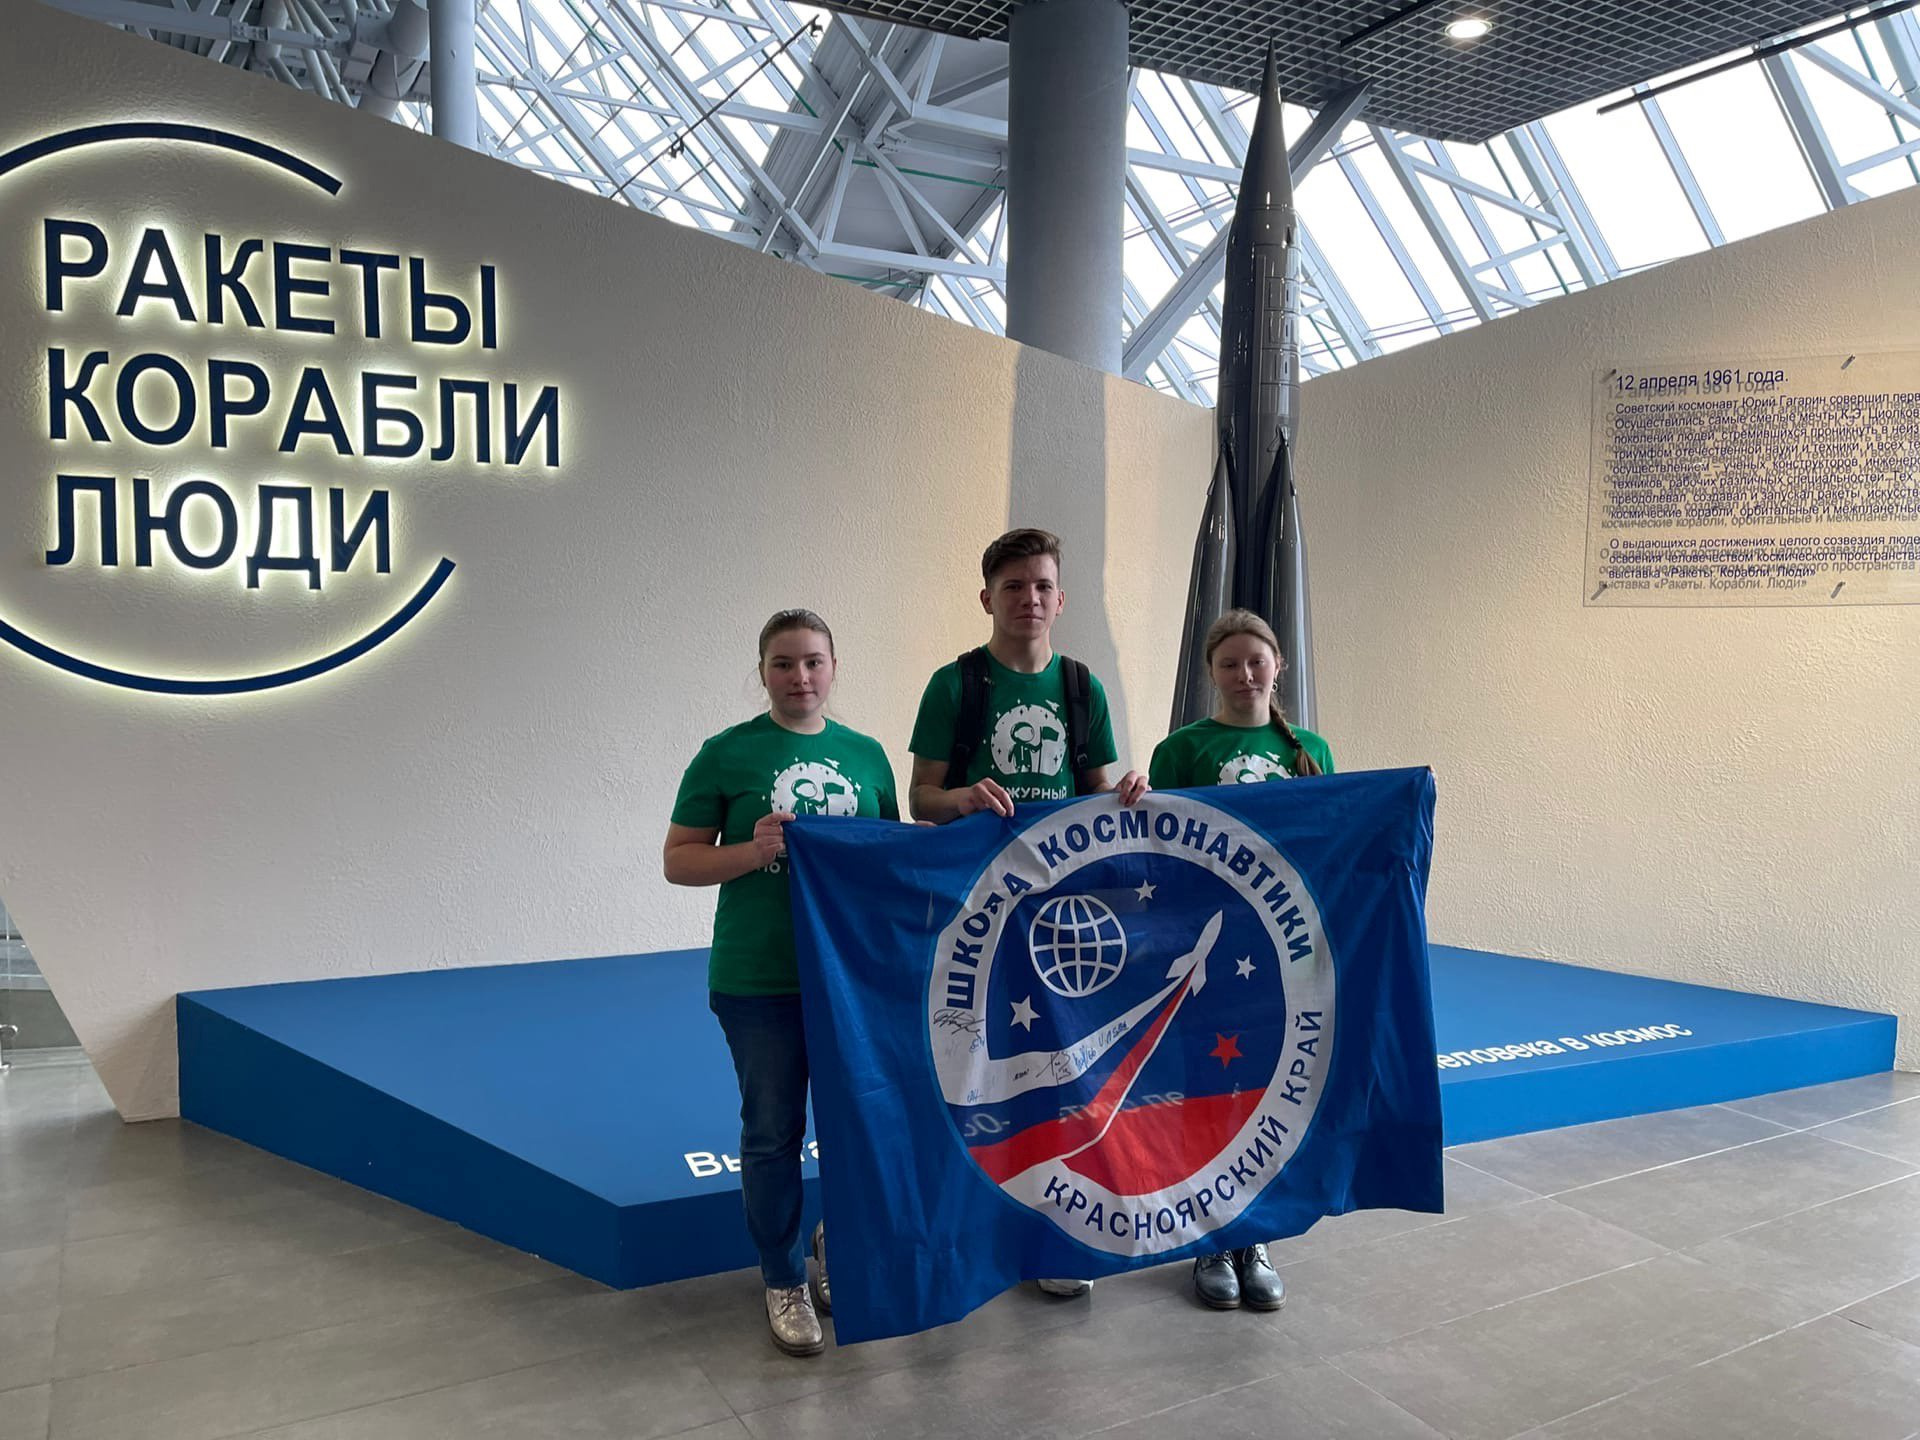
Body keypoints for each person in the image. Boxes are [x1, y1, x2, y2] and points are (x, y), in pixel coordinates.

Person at [907, 527, 1148, 1299]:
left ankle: (1053, 1236)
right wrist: (963, 800)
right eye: (1013, 586)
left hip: (1058, 917)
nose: (1029, 599)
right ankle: (968, 1227)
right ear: (988, 598)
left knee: (1063, 1076)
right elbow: (920, 799)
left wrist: (1129, 794)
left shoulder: (1082, 687)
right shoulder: (956, 686)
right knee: (973, 1073)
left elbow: (1097, 797)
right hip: (977, 919)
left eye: (1042, 585)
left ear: (1061, 598)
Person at [664, 609, 899, 1357]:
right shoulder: (725, 754)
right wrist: (751, 850)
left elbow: (886, 858)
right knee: (772, 1134)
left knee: (856, 1128)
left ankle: (835, 1245)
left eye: (813, 662)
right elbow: (678, 860)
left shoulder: (866, 755)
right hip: (758, 976)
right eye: (784, 663)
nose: (800, 677)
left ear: (834, 668)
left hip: (847, 978)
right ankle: (782, 1276)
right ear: (762, 671)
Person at [1147, 607, 1333, 1313]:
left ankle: (1254, 1234)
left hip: (1281, 952)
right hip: (1211, 948)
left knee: (1267, 1090)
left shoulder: (1311, 747)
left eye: (1256, 661)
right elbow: (1162, 849)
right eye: (1229, 663)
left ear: (1278, 666)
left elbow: (1331, 838)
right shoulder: (1181, 749)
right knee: (1206, 1089)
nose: (1244, 674)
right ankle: (1209, 1237)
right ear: (1211, 673)